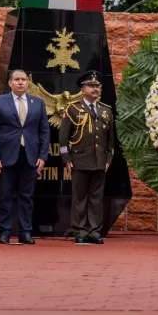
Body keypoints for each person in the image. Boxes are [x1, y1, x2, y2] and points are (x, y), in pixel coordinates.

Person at [0, 70, 50, 245]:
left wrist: (43, 156)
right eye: (17, 80)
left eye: (23, 80)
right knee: (5, 195)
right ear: (10, 83)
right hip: (6, 156)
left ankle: (25, 231)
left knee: (26, 196)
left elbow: (44, 131)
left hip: (30, 156)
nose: (21, 82)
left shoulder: (38, 103)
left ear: (27, 83)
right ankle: (5, 231)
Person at [59, 70, 114, 245]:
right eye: (91, 86)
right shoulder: (73, 109)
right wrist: (66, 159)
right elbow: (63, 138)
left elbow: (110, 140)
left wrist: (108, 159)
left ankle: (94, 231)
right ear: (82, 90)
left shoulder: (106, 111)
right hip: (79, 160)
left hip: (99, 161)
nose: (95, 89)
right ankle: (80, 231)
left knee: (96, 199)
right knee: (80, 198)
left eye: (97, 86)